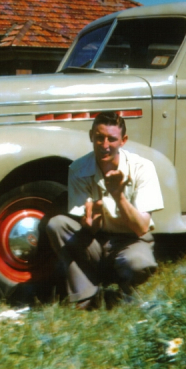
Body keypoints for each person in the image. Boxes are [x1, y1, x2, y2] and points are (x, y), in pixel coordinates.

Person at [46, 111, 164, 310]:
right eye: (99, 138)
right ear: (91, 136)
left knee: (140, 264)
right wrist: (90, 224)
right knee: (57, 225)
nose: (105, 145)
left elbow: (142, 228)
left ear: (123, 140)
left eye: (112, 139)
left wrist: (119, 196)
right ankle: (84, 295)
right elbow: (89, 225)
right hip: (97, 240)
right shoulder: (78, 169)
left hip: (131, 240)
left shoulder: (143, 168)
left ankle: (126, 293)